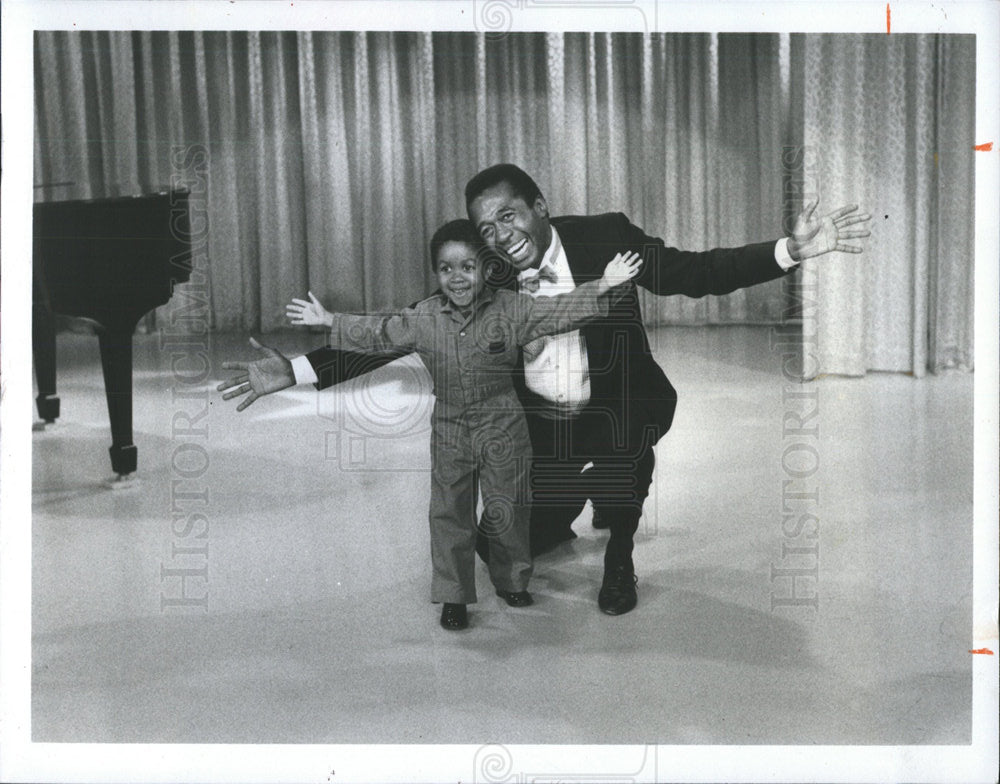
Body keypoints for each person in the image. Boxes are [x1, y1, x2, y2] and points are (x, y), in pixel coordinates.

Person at [220, 164, 871, 617]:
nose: (502, 235)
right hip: (538, 424)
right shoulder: (490, 274)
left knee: (623, 456)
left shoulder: (606, 239)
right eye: (487, 227)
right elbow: (407, 329)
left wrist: (788, 249)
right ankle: (565, 506)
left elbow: (693, 273)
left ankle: (620, 549)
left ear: (539, 208)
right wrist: (299, 372)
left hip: (618, 404)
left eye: (510, 216)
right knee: (517, 539)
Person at [222, 219, 642, 630]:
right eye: (446, 269)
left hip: (504, 424)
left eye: (467, 267)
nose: (457, 278)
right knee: (449, 513)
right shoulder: (423, 317)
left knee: (509, 507)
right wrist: (332, 320)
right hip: (451, 427)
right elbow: (381, 334)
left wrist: (603, 284)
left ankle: (512, 581)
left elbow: (558, 312)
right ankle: (454, 596)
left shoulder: (511, 309)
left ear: (486, 269)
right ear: (435, 273)